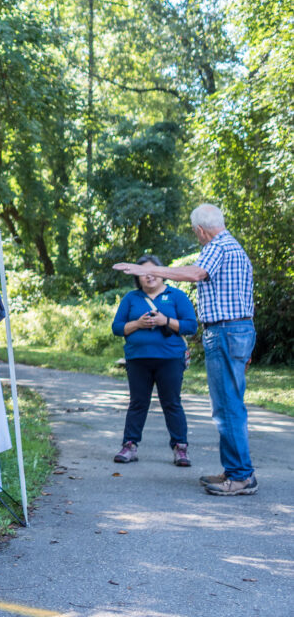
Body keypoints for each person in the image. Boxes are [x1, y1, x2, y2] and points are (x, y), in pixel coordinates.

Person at [114, 203, 256, 496]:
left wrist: (147, 269)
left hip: (226, 331)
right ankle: (235, 470)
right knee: (229, 405)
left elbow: (194, 274)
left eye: (195, 233)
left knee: (227, 407)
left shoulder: (218, 246)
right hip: (236, 330)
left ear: (199, 230)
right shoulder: (234, 247)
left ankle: (241, 476)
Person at [111, 255, 198, 466]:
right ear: (137, 278)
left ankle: (180, 447)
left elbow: (191, 326)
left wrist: (165, 320)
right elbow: (117, 328)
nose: (148, 277)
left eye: (153, 272)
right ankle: (129, 445)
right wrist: (138, 324)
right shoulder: (131, 298)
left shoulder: (176, 296)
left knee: (172, 403)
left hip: (170, 359)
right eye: (142, 274)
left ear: (162, 273)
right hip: (137, 359)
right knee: (138, 403)